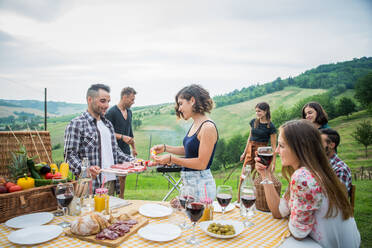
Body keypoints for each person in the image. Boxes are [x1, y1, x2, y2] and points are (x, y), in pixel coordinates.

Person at [255, 119, 360, 248]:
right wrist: (265, 174)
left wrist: (291, 214)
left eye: (281, 145)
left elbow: (298, 233)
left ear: (300, 148)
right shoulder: (316, 171)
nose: (276, 151)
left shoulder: (303, 178)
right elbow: (278, 211)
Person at [64, 84, 135, 195]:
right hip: (89, 185)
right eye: (102, 101)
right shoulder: (77, 124)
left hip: (110, 182)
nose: (106, 105)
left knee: (108, 212)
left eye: (108, 101)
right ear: (89, 99)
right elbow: (69, 155)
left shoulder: (108, 125)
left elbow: (115, 152)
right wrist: (85, 170)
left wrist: (134, 161)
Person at [151, 84, 218, 200]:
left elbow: (202, 163)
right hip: (189, 184)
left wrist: (171, 158)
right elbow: (189, 150)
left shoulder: (207, 127)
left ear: (192, 100)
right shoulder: (196, 124)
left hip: (201, 185)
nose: (179, 109)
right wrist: (165, 148)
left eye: (181, 103)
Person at [238, 102, 277, 201]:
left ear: (266, 111)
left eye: (259, 111)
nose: (257, 113)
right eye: (256, 111)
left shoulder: (270, 127)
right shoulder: (254, 122)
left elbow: (273, 146)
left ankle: (259, 201)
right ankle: (239, 200)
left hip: (262, 153)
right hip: (250, 151)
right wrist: (244, 152)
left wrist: (274, 162)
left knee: (260, 178)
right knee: (244, 175)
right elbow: (249, 138)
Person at [105, 87, 137, 157]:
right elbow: (106, 133)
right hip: (114, 153)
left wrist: (134, 148)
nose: (133, 102)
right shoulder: (111, 112)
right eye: (132, 100)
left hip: (127, 153)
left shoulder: (129, 112)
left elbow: (130, 133)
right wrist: (122, 137)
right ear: (124, 97)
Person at [320, 128, 352, 195]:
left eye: (320, 143)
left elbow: (339, 198)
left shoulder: (341, 169)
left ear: (331, 145)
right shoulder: (319, 164)